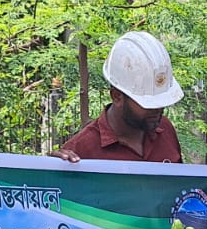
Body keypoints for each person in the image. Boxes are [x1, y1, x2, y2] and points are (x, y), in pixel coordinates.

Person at [55, 32, 183, 163]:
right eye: (148, 104)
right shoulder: (81, 151)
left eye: (161, 101)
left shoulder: (165, 129)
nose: (158, 109)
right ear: (117, 97)